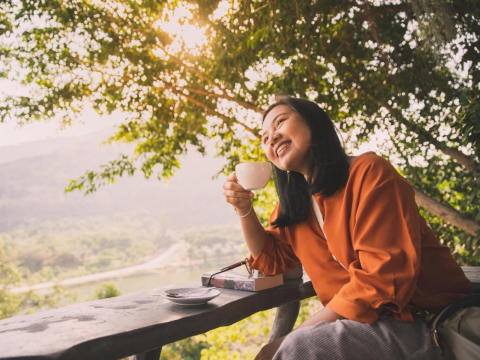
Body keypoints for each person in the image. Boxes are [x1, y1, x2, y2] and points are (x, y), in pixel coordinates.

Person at [222, 96, 472, 360]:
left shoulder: (369, 173)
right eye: (264, 138)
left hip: (425, 321)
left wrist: (290, 337)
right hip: (367, 323)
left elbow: (382, 280)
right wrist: (243, 210)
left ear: (314, 122)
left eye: (281, 122)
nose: (271, 138)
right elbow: (271, 260)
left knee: (299, 348)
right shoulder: (295, 208)